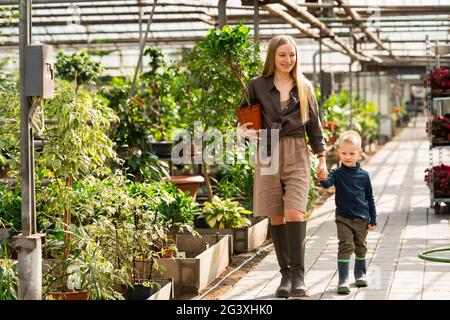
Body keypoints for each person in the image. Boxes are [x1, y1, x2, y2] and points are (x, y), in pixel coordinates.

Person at [237, 35, 327, 298]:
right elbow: (244, 116)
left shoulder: (305, 87)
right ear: (272, 57)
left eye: (292, 54)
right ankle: (285, 275)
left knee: (295, 212)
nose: (288, 60)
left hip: (297, 150)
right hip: (267, 148)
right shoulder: (257, 85)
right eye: (283, 55)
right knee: (276, 214)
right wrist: (241, 131)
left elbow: (314, 126)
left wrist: (321, 157)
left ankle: (299, 275)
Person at [317, 130, 377, 294]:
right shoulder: (337, 173)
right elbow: (327, 184)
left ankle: (360, 274)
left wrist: (373, 219)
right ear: (338, 153)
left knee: (360, 246)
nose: (347, 156)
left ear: (359, 153)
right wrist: (322, 177)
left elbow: (370, 197)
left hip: (362, 219)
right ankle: (343, 279)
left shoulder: (364, 175)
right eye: (344, 153)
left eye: (351, 153)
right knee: (345, 245)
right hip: (343, 217)